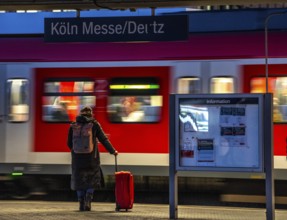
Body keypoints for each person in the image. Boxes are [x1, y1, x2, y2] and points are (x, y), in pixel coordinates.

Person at [67, 106, 118, 211]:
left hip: (77, 159)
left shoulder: (73, 126)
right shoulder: (94, 125)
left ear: (80, 114)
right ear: (90, 114)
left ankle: (81, 202)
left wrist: (77, 151)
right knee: (93, 178)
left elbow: (69, 143)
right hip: (91, 158)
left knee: (79, 180)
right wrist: (113, 151)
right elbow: (103, 139)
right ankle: (88, 201)